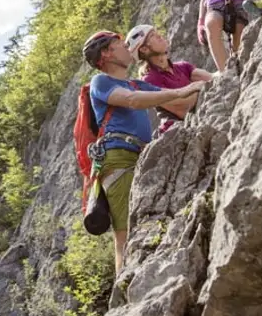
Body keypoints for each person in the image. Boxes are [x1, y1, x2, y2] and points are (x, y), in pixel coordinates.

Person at [82, 30, 207, 271]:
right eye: (120, 45)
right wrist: (182, 91)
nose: (127, 48)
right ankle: (123, 297)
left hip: (139, 156)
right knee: (124, 233)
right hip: (117, 159)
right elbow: (132, 100)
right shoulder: (102, 82)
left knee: (141, 225)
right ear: (107, 54)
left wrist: (202, 86)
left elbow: (166, 98)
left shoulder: (135, 83)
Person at [126, 24, 213, 136]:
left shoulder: (182, 67)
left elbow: (211, 78)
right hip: (174, 135)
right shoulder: (149, 80)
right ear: (144, 49)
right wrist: (199, 87)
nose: (159, 36)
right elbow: (182, 108)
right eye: (152, 35)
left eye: (156, 32)